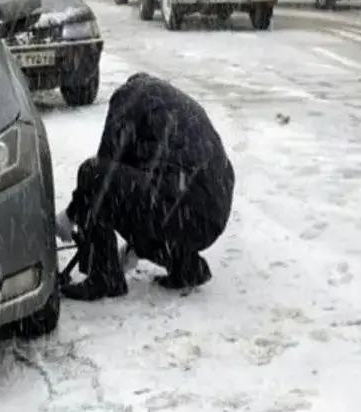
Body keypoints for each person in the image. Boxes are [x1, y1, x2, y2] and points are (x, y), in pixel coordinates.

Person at [55, 72, 235, 302]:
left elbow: (105, 169)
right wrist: (135, 246)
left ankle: (104, 277)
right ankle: (186, 267)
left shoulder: (129, 97)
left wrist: (71, 215)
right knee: (147, 199)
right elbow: (143, 184)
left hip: (184, 201)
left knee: (92, 173)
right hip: (210, 215)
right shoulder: (167, 107)